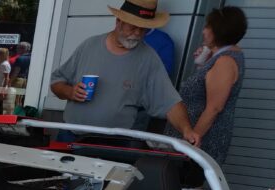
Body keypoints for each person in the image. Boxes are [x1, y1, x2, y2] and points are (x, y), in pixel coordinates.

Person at [49, 0, 199, 145]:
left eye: (143, 29)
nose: (137, 33)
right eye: (133, 27)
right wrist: (70, 92)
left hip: (114, 143)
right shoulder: (90, 46)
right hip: (71, 135)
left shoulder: (149, 59)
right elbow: (56, 82)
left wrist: (187, 130)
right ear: (118, 21)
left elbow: (170, 103)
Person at [166, 6, 247, 165]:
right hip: (192, 139)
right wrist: (202, 64)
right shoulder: (220, 57)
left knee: (185, 185)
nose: (203, 31)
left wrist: (191, 141)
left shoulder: (225, 61)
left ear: (217, 31)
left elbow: (214, 108)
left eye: (207, 26)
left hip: (200, 142)